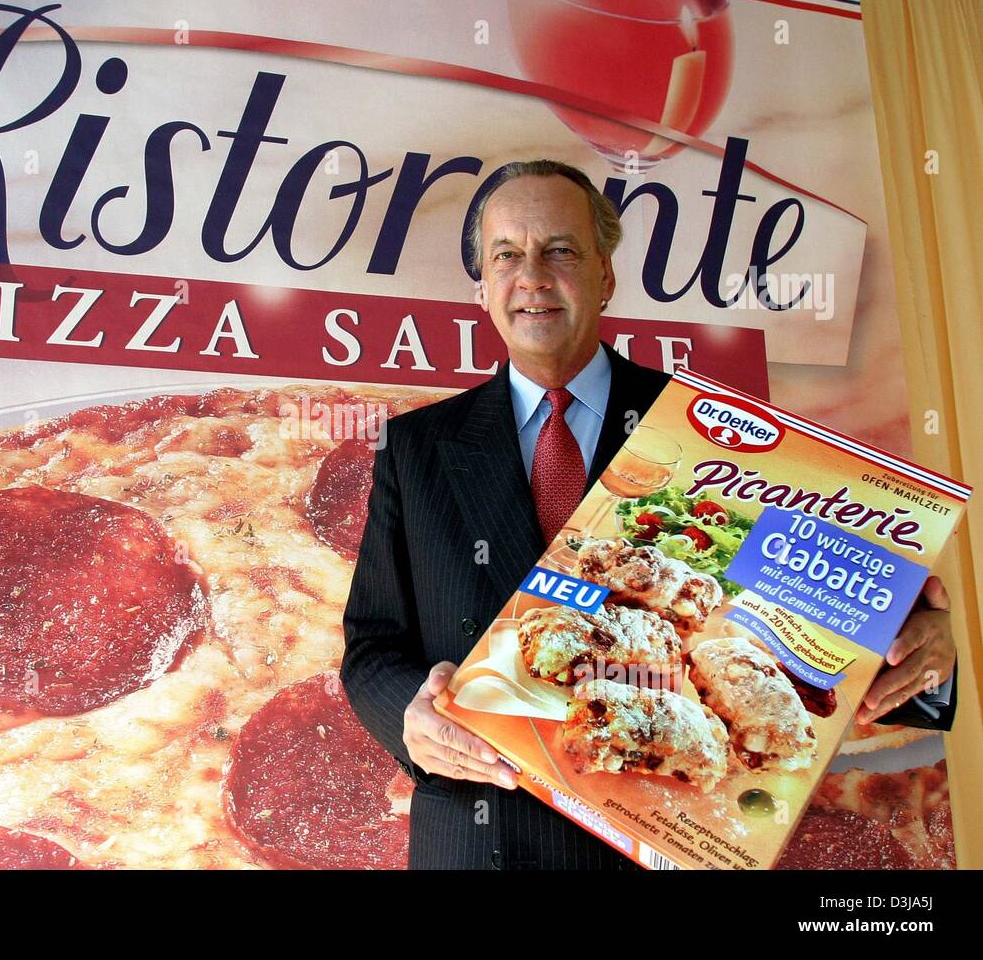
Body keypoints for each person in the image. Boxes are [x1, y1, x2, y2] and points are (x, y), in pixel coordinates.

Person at [340, 160, 958, 870]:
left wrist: (925, 655)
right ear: (482, 285)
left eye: (560, 250)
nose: (532, 276)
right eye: (507, 254)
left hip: (672, 836)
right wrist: (410, 718)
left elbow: (830, 647)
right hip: (479, 841)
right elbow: (371, 646)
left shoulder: (709, 436)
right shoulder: (417, 449)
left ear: (605, 274)